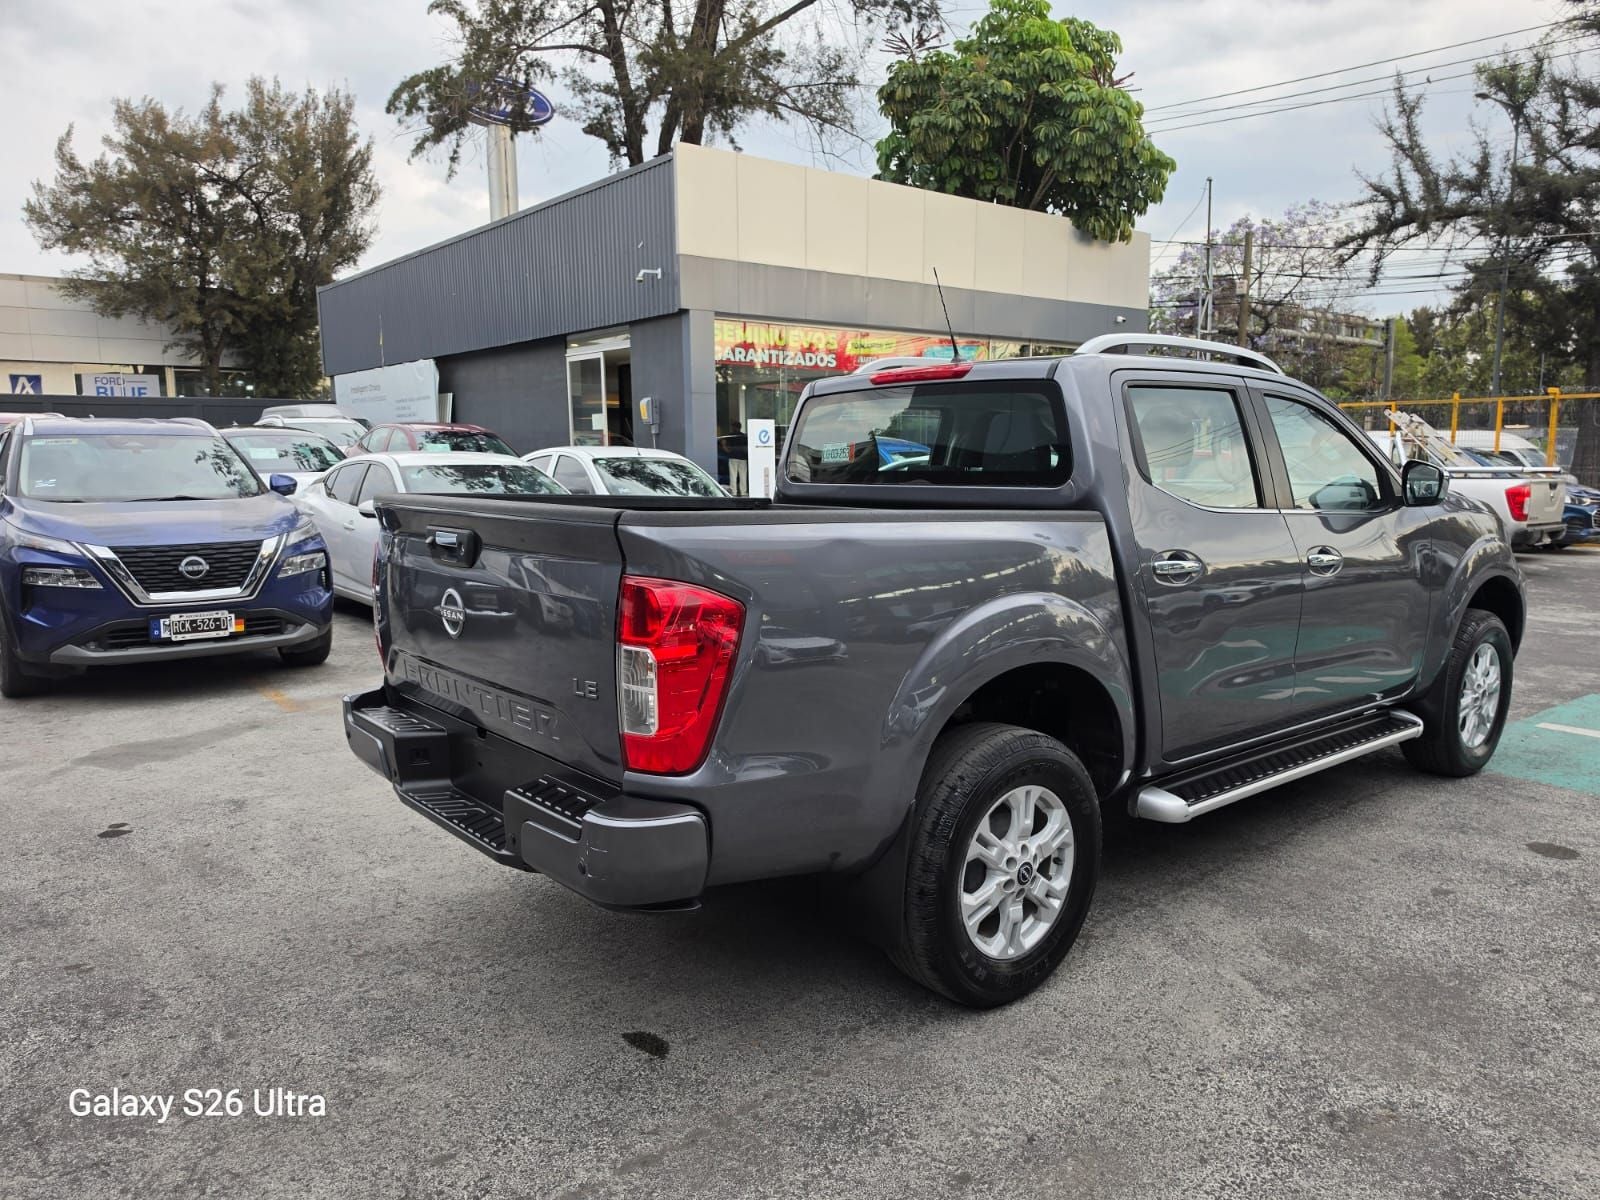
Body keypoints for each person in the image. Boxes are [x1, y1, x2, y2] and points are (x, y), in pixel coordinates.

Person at [726, 422, 748, 495]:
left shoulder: (730, 436)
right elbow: (746, 447)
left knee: (733, 475)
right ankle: (743, 492)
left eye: (732, 426)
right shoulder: (744, 436)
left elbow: (727, 447)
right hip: (743, 458)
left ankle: (733, 492)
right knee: (743, 475)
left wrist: (728, 450)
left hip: (733, 457)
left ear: (734, 427)